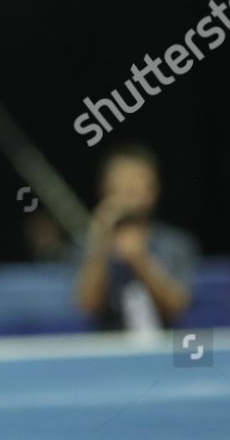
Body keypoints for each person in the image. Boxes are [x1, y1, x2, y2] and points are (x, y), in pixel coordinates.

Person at [74, 143, 197, 333]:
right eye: (121, 185)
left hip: (168, 347)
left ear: (153, 191)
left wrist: (140, 260)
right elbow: (87, 306)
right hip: (108, 351)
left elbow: (176, 307)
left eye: (135, 185)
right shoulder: (90, 243)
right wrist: (100, 243)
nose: (128, 194)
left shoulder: (176, 244)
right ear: (105, 189)